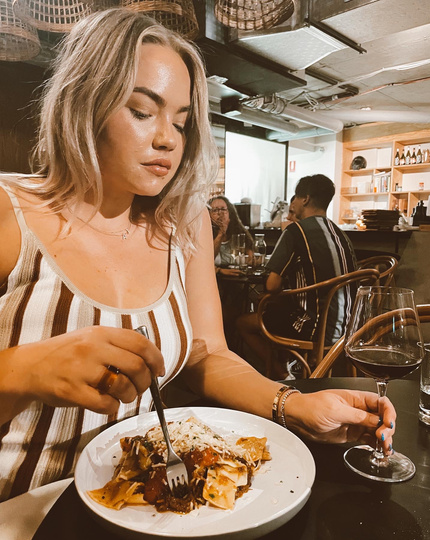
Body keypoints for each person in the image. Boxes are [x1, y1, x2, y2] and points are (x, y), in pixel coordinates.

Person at [0, 9, 395, 503]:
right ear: (85, 103)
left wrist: (295, 405)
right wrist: (24, 369)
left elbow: (207, 356)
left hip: (136, 506)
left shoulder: (184, 223)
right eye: (141, 112)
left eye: (181, 122)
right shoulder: (11, 211)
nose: (168, 138)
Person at [236, 174, 357, 376]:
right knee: (282, 309)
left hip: (315, 328)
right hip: (350, 326)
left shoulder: (296, 231)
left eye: (295, 197)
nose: (292, 204)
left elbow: (272, 285)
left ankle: (284, 376)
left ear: (305, 199)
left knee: (243, 323)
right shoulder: (340, 233)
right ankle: (296, 365)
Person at [208, 195, 254, 276]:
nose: (220, 213)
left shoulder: (239, 232)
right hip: (216, 278)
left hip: (238, 277)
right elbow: (206, 260)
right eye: (215, 210)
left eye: (223, 209)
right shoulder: (204, 234)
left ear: (230, 212)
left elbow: (251, 259)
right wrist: (221, 233)